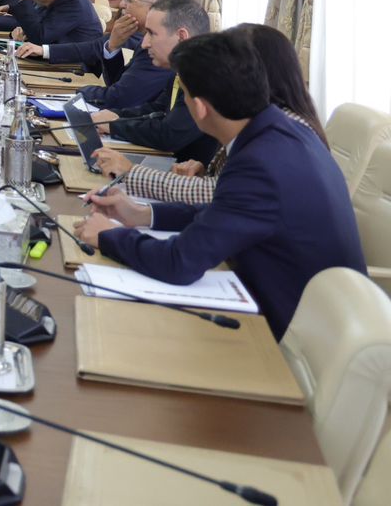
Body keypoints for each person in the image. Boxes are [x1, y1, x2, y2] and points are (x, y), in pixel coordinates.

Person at [77, 30, 365, 338]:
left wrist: (109, 236)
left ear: (199, 108)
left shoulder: (262, 161)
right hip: (293, 302)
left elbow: (180, 262)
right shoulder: (277, 130)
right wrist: (142, 214)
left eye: (184, 95)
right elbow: (224, 211)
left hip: (293, 333)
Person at [104, 23, 329, 205]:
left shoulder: (279, 136)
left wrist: (131, 172)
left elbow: (222, 195)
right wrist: (206, 173)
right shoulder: (265, 118)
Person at [86, 0, 220, 167]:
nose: (144, 44)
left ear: (181, 36)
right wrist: (114, 116)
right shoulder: (182, 69)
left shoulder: (206, 76)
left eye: (152, 34)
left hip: (185, 176)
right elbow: (156, 109)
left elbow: (168, 135)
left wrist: (114, 125)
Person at [52, 0, 181, 111]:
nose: (122, 4)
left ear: (155, 6)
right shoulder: (147, 37)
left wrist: (78, 91)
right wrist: (113, 47)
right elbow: (120, 85)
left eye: (129, 0)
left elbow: (120, 98)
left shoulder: (161, 46)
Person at [14, 0, 145, 76]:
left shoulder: (142, 24)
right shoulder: (125, 16)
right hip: (86, 71)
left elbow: (95, 48)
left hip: (82, 70)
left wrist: (44, 50)